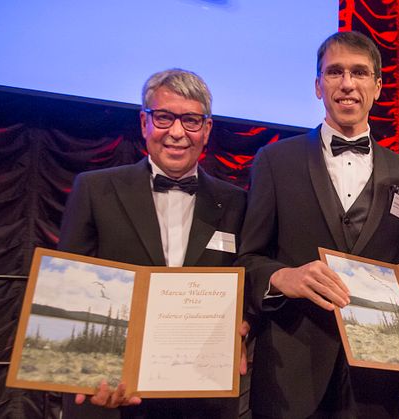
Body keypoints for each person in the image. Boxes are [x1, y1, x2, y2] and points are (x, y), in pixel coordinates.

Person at [237, 31, 399, 418]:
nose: (347, 84)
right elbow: (248, 260)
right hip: (291, 373)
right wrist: (281, 278)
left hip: (375, 381)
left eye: (359, 73)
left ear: (377, 86)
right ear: (318, 85)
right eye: (334, 72)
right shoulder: (275, 162)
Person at [58, 68, 248, 419]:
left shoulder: (237, 202)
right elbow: (69, 285)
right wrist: (87, 371)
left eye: (191, 120)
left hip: (201, 397)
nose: (177, 132)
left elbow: (247, 283)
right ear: (144, 123)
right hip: (110, 396)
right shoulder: (95, 190)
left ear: (206, 130)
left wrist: (243, 326)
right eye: (164, 117)